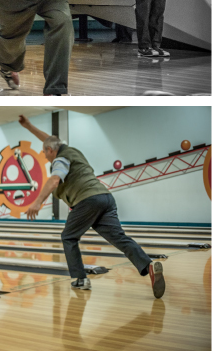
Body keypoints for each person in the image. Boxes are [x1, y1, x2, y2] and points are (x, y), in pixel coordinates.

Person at [17, 114, 165, 298]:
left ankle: (80, 279)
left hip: (87, 200)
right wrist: (29, 126)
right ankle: (148, 265)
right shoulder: (71, 151)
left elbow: (54, 180)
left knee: (68, 237)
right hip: (105, 197)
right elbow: (51, 141)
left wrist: (37, 202)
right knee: (119, 238)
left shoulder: (60, 159)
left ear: (50, 151)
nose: (44, 156)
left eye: (44, 152)